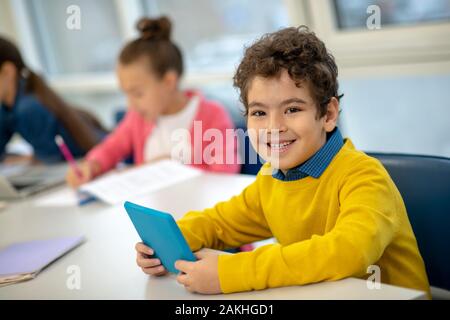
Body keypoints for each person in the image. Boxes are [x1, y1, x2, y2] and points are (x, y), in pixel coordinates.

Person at [135, 26, 430, 296]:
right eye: (259, 113)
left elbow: (346, 252)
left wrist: (232, 272)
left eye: (292, 109)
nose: (273, 127)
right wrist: (168, 244)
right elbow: (219, 223)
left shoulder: (365, 177)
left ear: (327, 115)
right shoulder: (272, 177)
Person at [66, 16, 240, 188]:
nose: (130, 105)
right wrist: (92, 165)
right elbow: (111, 148)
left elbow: (224, 176)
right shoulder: (137, 118)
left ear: (169, 82)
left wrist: (171, 168)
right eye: (126, 94)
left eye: (137, 93)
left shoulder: (212, 115)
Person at [0, 36, 106, 164]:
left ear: (7, 71)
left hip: (98, 160)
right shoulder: (7, 108)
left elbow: (52, 165)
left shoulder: (28, 109)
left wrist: (29, 159)